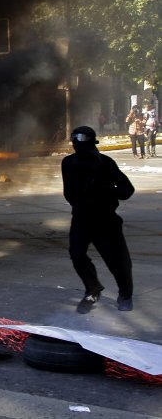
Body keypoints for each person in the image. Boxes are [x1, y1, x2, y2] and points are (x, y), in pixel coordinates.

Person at [61, 126, 135, 313]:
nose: (77, 144)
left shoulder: (105, 163)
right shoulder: (68, 163)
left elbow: (127, 190)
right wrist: (81, 202)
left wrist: (105, 192)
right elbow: (68, 192)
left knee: (118, 262)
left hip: (105, 219)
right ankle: (92, 289)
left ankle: (125, 295)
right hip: (81, 218)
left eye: (81, 140)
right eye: (75, 140)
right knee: (77, 254)